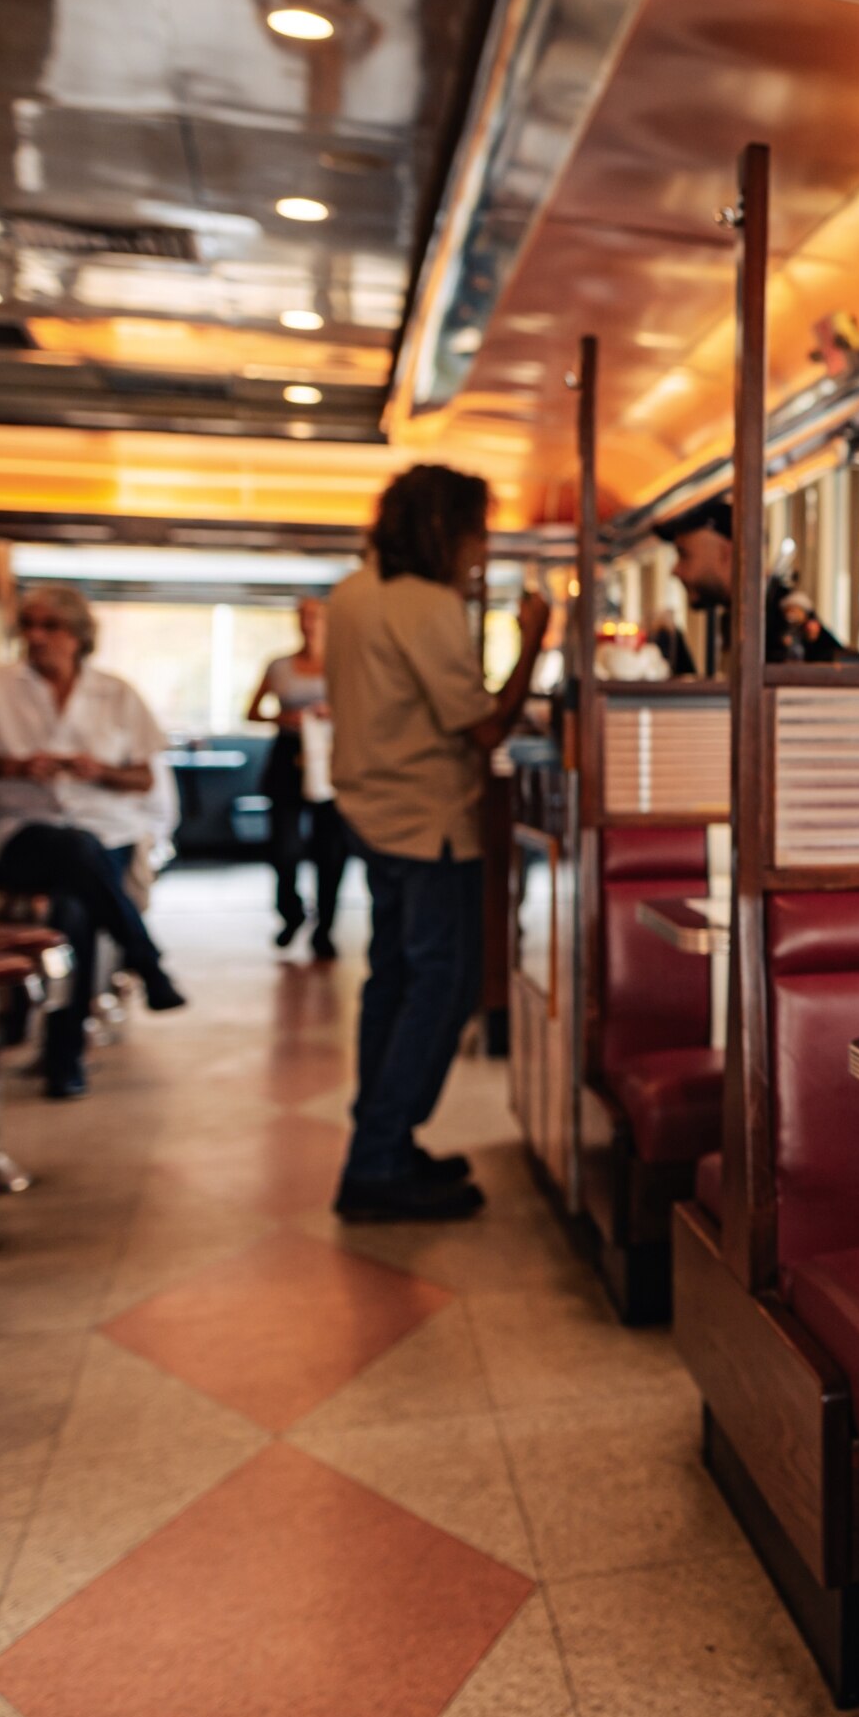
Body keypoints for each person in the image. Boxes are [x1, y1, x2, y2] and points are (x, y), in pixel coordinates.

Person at [326, 466, 550, 1222]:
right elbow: (484, 725)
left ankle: (380, 1142)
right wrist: (532, 644)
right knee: (443, 985)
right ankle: (379, 1159)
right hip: (429, 820)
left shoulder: (353, 592)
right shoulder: (426, 605)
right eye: (477, 530)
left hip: (370, 810)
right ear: (444, 529)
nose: (482, 548)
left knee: (392, 979)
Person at [0, 583, 184, 1097]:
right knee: (73, 851)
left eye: (50, 626)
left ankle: (65, 1058)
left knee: (76, 907)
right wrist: (9, 765)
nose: (36, 637)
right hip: (25, 836)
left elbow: (143, 779)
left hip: (106, 831)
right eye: (30, 626)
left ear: (77, 635)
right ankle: (144, 959)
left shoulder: (116, 694)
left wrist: (100, 771)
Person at [247, 597, 350, 959]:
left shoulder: (343, 666)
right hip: (287, 760)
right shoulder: (279, 666)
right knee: (284, 848)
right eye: (303, 616)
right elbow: (253, 712)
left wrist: (332, 713)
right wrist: (286, 718)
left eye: (315, 616)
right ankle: (291, 913)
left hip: (328, 760)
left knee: (330, 850)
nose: (308, 623)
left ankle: (326, 927)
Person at [655, 498, 859, 671]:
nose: (675, 570)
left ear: (727, 553)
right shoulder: (738, 617)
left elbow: (841, 676)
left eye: (684, 555)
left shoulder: (781, 619)